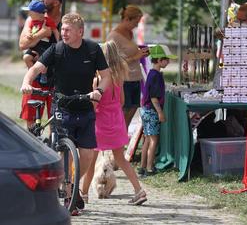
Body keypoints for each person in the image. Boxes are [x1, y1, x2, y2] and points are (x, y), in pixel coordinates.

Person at [20, 12, 111, 214]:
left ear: (80, 32)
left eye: (68, 30)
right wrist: (26, 83)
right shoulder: (57, 50)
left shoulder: (93, 50)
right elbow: (35, 69)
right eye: (62, 29)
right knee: (66, 153)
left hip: (85, 106)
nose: (63, 33)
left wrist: (99, 91)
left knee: (87, 155)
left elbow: (106, 76)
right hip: (61, 106)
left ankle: (70, 183)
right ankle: (70, 192)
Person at [81, 40, 147, 206]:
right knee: (122, 159)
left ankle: (84, 194)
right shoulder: (119, 78)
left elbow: (95, 103)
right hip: (116, 121)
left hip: (99, 123)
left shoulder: (98, 79)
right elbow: (122, 101)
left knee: (90, 161)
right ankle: (139, 191)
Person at [19, 0, 62, 128]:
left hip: (56, 78)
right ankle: (33, 147)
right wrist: (41, 33)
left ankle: (55, 149)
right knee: (31, 119)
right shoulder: (32, 19)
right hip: (36, 77)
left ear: (56, 2)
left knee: (56, 121)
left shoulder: (66, 22)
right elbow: (23, 44)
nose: (42, 0)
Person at [107, 5, 149, 129]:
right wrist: (136, 57)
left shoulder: (129, 33)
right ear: (127, 19)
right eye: (135, 22)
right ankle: (118, 139)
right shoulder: (113, 36)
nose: (136, 26)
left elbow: (128, 52)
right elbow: (111, 61)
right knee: (124, 111)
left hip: (135, 78)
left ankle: (122, 138)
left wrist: (141, 53)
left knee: (133, 109)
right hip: (124, 79)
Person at [138, 44, 177, 177]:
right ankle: (149, 168)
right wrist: (160, 112)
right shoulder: (156, 76)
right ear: (160, 60)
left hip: (145, 110)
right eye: (166, 59)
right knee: (154, 140)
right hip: (152, 111)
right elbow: (154, 98)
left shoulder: (152, 73)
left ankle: (142, 166)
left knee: (147, 139)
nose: (168, 62)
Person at [22, 0, 59, 69]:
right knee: (26, 57)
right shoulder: (31, 20)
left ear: (38, 13)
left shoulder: (47, 20)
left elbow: (55, 31)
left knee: (43, 62)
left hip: (44, 44)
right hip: (34, 45)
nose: (28, 14)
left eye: (30, 12)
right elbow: (28, 29)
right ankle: (33, 74)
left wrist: (59, 43)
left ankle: (43, 76)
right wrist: (28, 34)